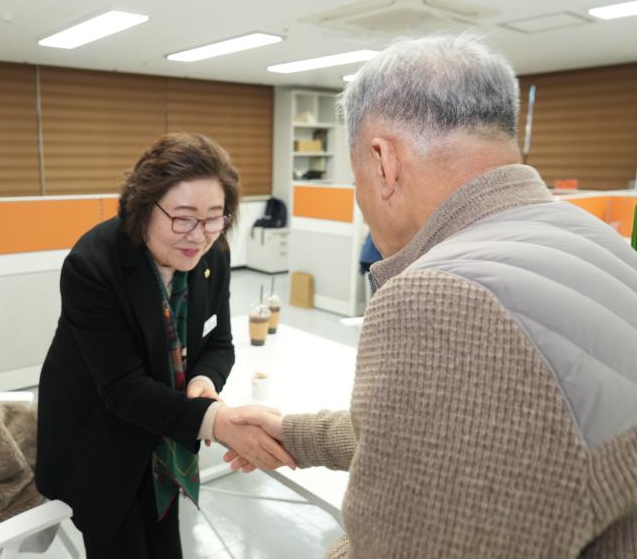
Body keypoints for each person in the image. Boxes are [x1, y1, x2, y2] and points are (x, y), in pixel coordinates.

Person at [227, 35, 637, 557]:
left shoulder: (441, 298)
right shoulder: (595, 239)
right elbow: (465, 436)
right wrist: (295, 435)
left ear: (383, 162)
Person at [35, 133, 295, 559]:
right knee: (121, 543)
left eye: (215, 216)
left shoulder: (213, 254)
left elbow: (219, 342)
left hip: (165, 434)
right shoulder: (92, 266)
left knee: (165, 545)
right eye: (183, 217)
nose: (200, 235)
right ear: (143, 207)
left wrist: (203, 382)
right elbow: (122, 389)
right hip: (98, 442)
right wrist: (218, 422)